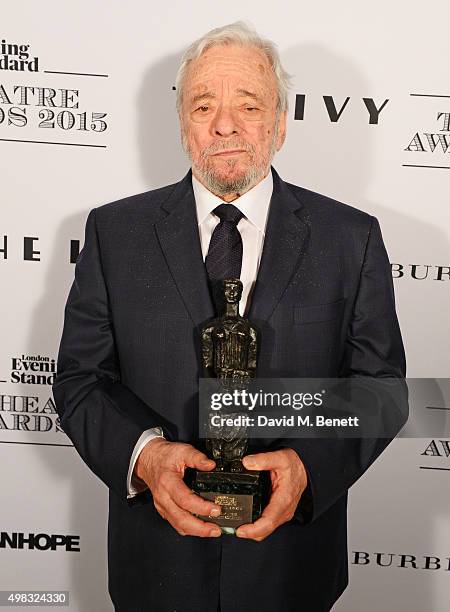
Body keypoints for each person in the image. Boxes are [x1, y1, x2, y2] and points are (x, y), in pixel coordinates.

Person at [53, 22, 407, 612]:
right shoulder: (114, 233)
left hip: (292, 568)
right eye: (203, 105)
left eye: (249, 104)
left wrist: (307, 468)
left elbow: (384, 391)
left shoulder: (351, 238)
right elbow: (79, 380)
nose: (224, 124)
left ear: (282, 122)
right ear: (182, 122)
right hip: (155, 569)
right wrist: (142, 454)